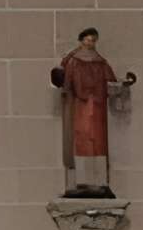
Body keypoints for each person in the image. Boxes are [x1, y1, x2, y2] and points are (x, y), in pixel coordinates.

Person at [49, 28, 135, 197]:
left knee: (98, 141)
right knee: (81, 140)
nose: (90, 43)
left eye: (93, 40)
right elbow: (64, 83)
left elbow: (110, 82)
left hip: (97, 108)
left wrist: (123, 84)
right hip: (79, 107)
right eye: (87, 40)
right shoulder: (72, 61)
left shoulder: (101, 62)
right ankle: (80, 181)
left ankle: (99, 182)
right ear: (81, 41)